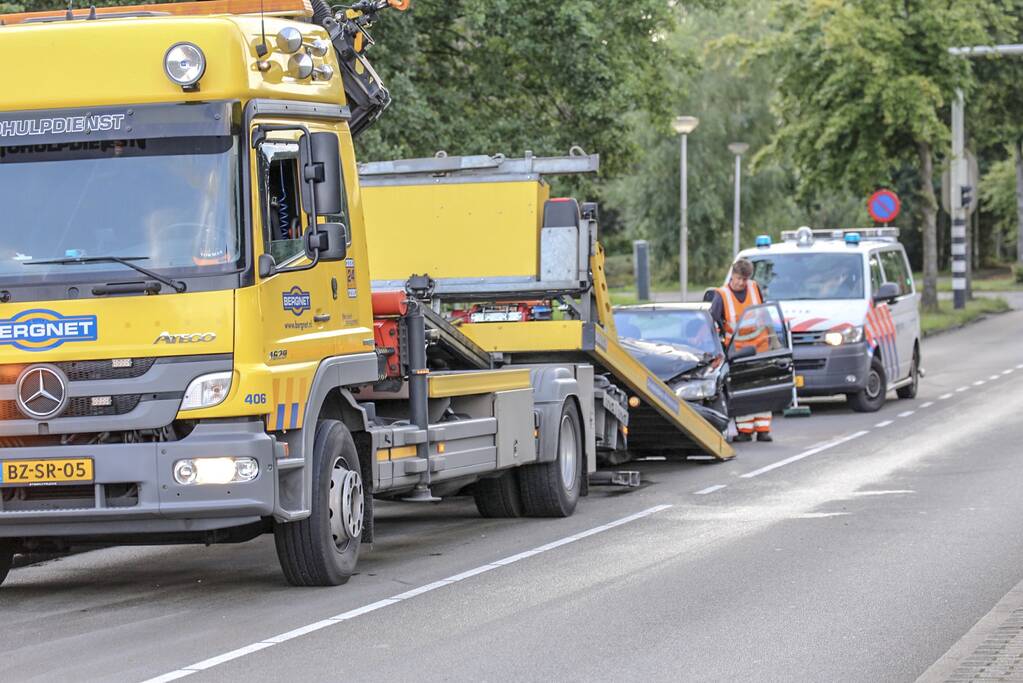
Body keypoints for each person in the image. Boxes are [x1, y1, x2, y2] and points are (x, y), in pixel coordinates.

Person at [708, 258, 773, 443]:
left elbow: (764, 314)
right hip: (738, 351)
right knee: (743, 389)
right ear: (732, 275)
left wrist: (773, 341)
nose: (741, 283)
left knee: (761, 389)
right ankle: (744, 430)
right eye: (738, 278)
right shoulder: (721, 295)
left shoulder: (754, 288)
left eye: (744, 279)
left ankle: (763, 429)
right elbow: (714, 323)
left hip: (760, 347)